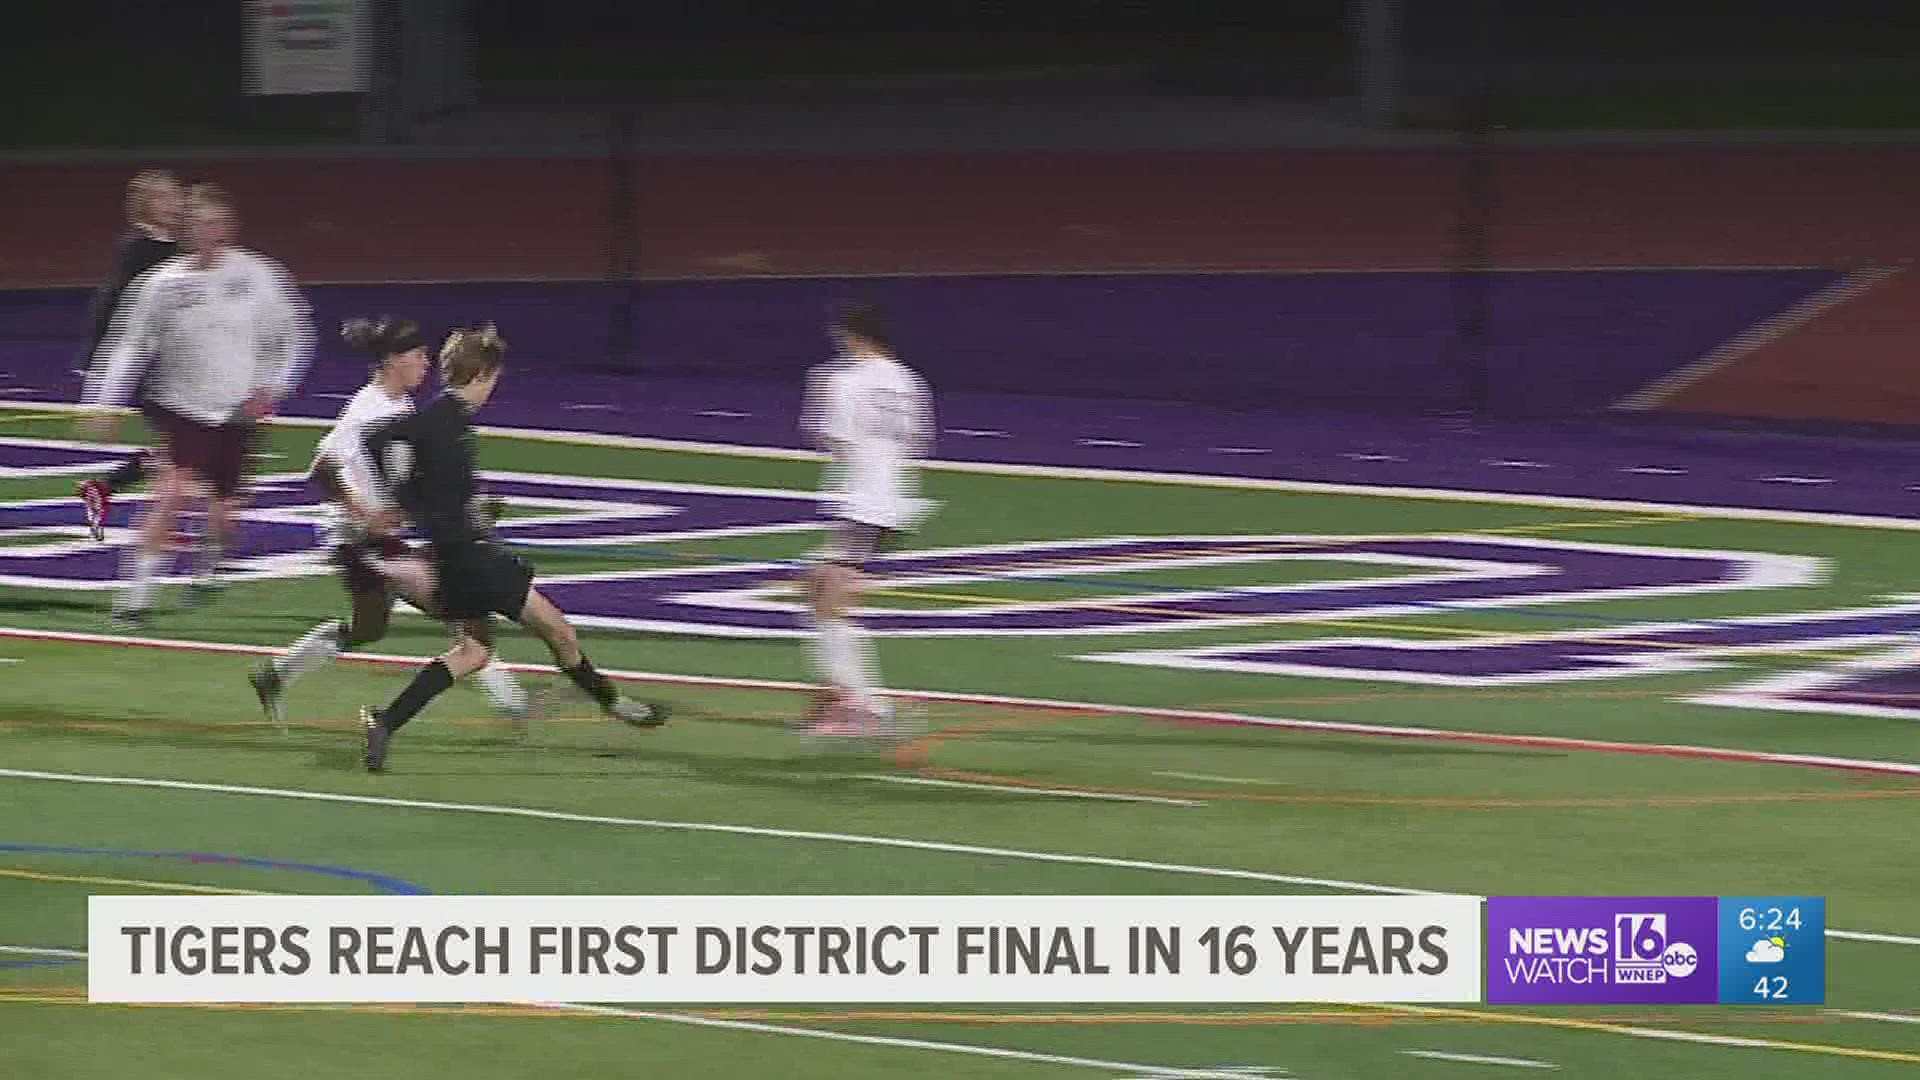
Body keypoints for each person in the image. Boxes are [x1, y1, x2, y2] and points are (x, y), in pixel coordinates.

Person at [356, 324, 669, 771]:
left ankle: (387, 721)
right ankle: (617, 705)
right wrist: (414, 499)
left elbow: (384, 445)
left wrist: (416, 498)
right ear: (480, 374)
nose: (492, 389)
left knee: (473, 652)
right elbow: (378, 441)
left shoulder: (446, 420)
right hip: (476, 557)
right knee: (559, 633)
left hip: (454, 558)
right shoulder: (443, 420)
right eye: (493, 379)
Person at [248, 316, 535, 733]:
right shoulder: (368, 411)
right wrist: (366, 513)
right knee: (462, 613)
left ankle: (276, 675)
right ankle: (515, 704)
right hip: (361, 541)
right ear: (392, 360)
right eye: (418, 355)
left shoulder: (400, 407)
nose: (426, 362)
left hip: (370, 541)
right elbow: (320, 468)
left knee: (369, 629)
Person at [79, 183, 314, 627]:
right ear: (188, 232)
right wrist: (103, 399)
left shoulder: (258, 274)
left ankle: (208, 565)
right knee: (169, 494)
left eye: (220, 223)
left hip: (239, 409)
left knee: (226, 506)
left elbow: (294, 333)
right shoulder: (163, 284)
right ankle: (135, 598)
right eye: (203, 225)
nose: (214, 233)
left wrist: (275, 385)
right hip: (182, 407)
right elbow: (129, 344)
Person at [799, 302, 935, 737]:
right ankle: (844, 693)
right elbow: (918, 440)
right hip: (894, 496)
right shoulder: (908, 380)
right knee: (819, 586)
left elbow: (830, 437)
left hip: (861, 498)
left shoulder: (842, 378)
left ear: (851, 336)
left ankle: (859, 704)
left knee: (829, 597)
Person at [76, 170, 185, 542]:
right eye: (164, 197)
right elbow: (113, 305)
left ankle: (109, 488)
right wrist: (96, 368)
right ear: (145, 205)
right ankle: (146, 514)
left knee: (183, 448)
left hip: (175, 363)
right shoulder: (139, 250)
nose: (175, 203)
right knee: (186, 446)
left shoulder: (178, 250)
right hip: (151, 366)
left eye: (176, 196)